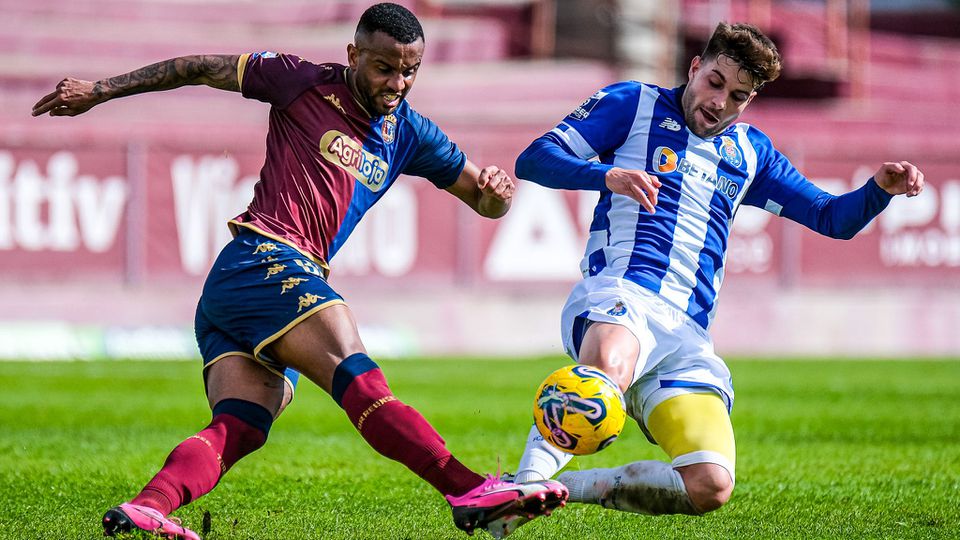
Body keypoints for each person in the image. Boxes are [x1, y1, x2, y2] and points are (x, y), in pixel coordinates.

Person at [32, 3, 568, 538]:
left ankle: (149, 505)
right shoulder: (298, 81)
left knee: (241, 426)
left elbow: (483, 199)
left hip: (238, 290)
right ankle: (467, 488)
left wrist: (498, 194)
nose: (398, 82)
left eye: (410, 71)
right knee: (362, 380)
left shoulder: (410, 133)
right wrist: (100, 90)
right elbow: (196, 67)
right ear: (353, 54)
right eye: (384, 68)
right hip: (269, 259)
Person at [485, 21, 924, 538]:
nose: (720, 102)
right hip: (622, 294)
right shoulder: (633, 104)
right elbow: (534, 159)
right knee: (607, 367)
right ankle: (516, 495)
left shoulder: (751, 153)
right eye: (715, 83)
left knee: (709, 485)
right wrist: (607, 176)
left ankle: (555, 488)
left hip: (686, 337)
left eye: (739, 96)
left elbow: (833, 219)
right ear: (695, 67)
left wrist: (879, 189)